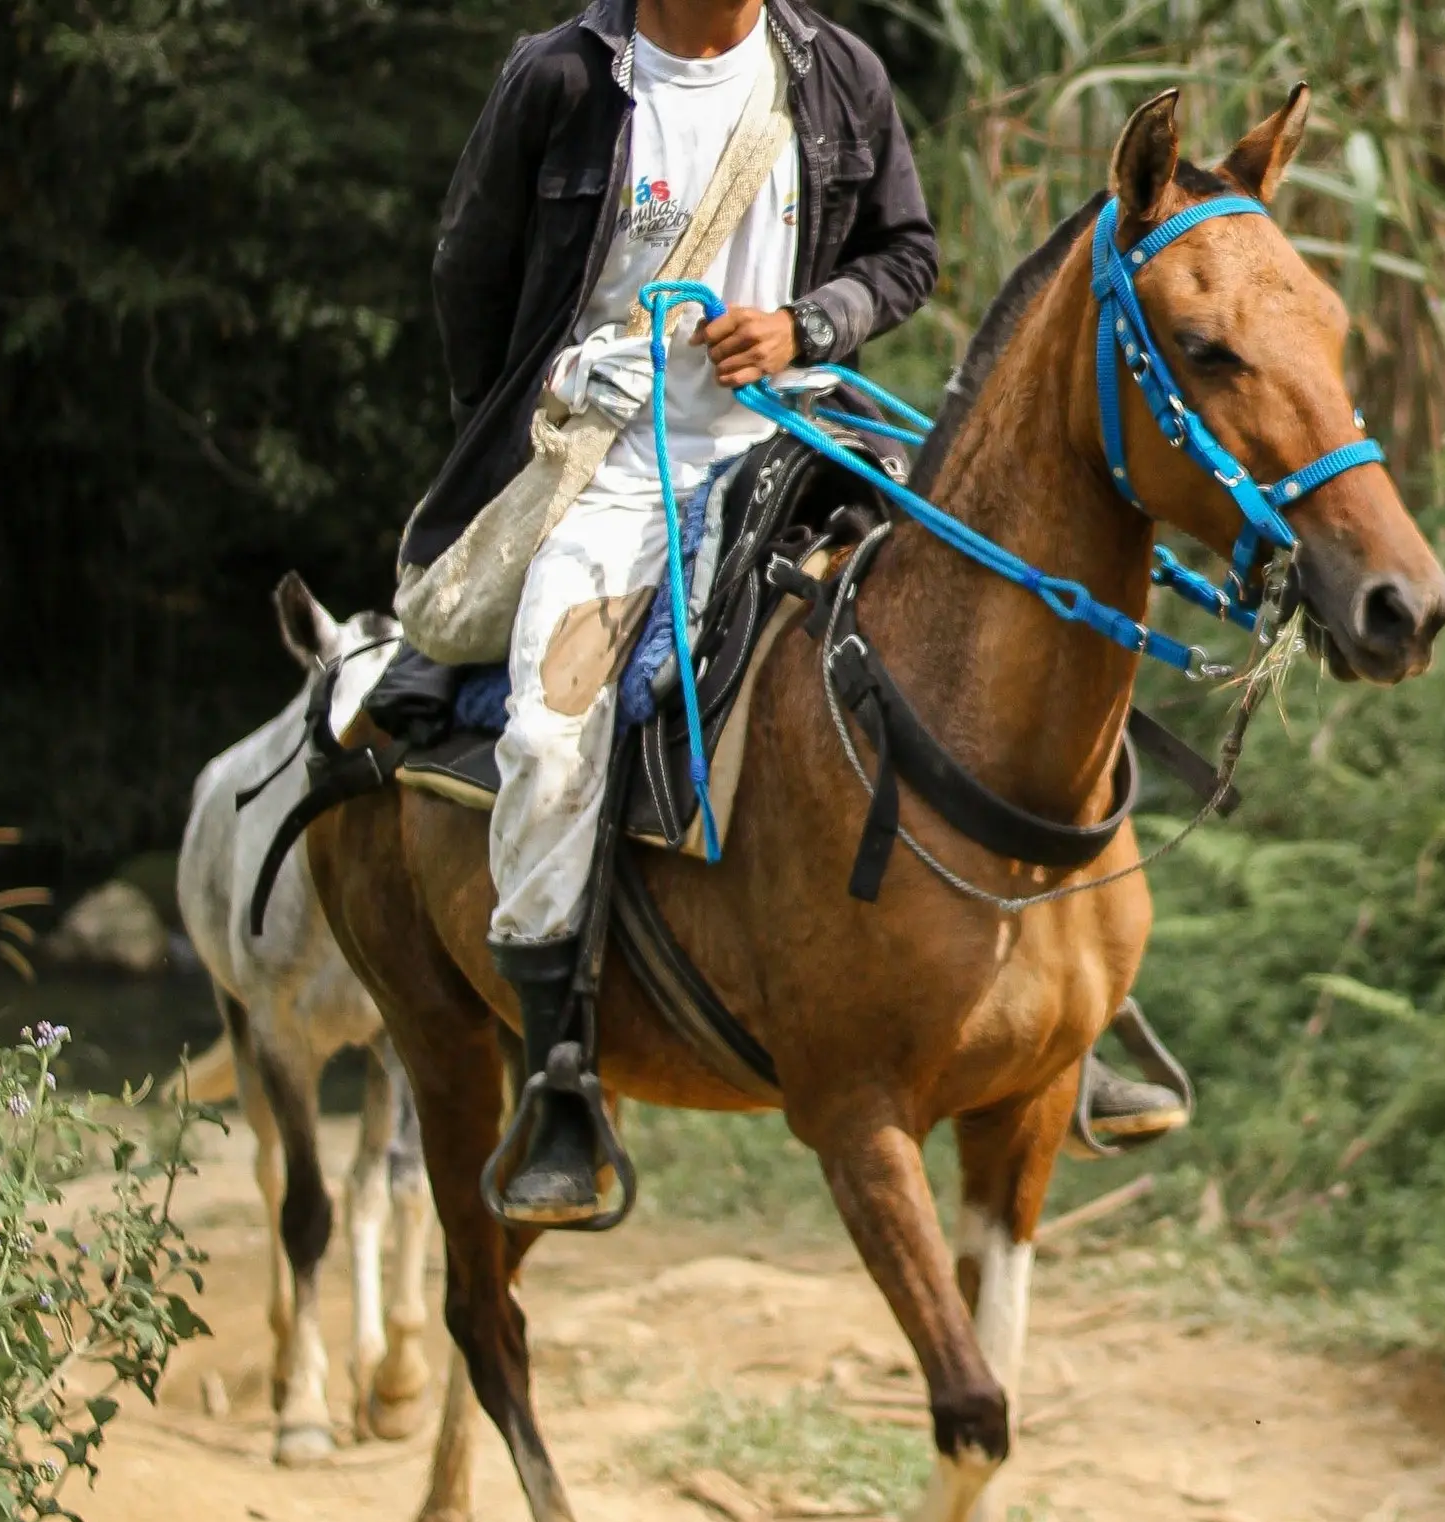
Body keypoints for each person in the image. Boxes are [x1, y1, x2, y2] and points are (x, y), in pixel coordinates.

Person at [409, 0, 1184, 1217]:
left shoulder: (838, 75)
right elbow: (470, 270)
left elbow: (906, 255)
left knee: (1014, 638)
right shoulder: (560, 82)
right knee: (550, 739)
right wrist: (537, 413)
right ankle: (562, 1079)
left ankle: (1077, 1009)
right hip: (612, 471)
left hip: (811, 443)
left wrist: (809, 323)